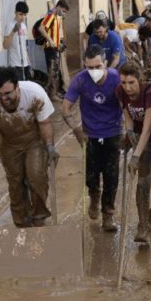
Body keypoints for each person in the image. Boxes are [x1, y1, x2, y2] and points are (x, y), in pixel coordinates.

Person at [0, 67, 57, 227]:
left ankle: (39, 217)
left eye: (8, 93)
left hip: (33, 141)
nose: (3, 98)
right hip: (8, 143)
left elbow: (44, 123)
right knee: (15, 183)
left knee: (36, 177)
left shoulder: (35, 94)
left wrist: (50, 147)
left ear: (17, 87)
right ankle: (21, 221)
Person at [62, 45, 123, 232]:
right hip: (90, 134)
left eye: (97, 67)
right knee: (91, 174)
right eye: (89, 68)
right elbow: (65, 109)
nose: (94, 71)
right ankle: (94, 197)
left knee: (111, 177)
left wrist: (128, 130)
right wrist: (76, 129)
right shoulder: (80, 80)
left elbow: (126, 105)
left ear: (105, 63)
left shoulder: (116, 79)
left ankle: (108, 215)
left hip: (113, 132)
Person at [116, 63, 151, 242]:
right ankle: (143, 224)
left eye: (131, 82)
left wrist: (135, 156)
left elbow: (148, 128)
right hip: (140, 135)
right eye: (123, 82)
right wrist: (128, 132)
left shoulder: (150, 92)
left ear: (140, 80)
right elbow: (127, 114)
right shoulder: (120, 91)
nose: (127, 87)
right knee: (143, 180)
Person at [39, 0, 70, 100]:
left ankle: (54, 93)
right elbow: (41, 28)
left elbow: (56, 33)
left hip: (55, 48)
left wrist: (59, 43)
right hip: (50, 48)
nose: (64, 13)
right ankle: (51, 94)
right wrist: (50, 41)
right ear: (59, 7)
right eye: (64, 11)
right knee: (52, 71)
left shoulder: (57, 17)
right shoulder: (51, 15)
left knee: (55, 72)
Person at [3, 1, 33, 81]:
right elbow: (5, 46)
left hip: (25, 64)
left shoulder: (24, 26)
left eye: (25, 15)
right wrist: (13, 31)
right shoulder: (10, 25)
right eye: (20, 14)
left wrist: (29, 64)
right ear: (15, 13)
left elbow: (25, 47)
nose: (23, 17)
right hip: (14, 65)